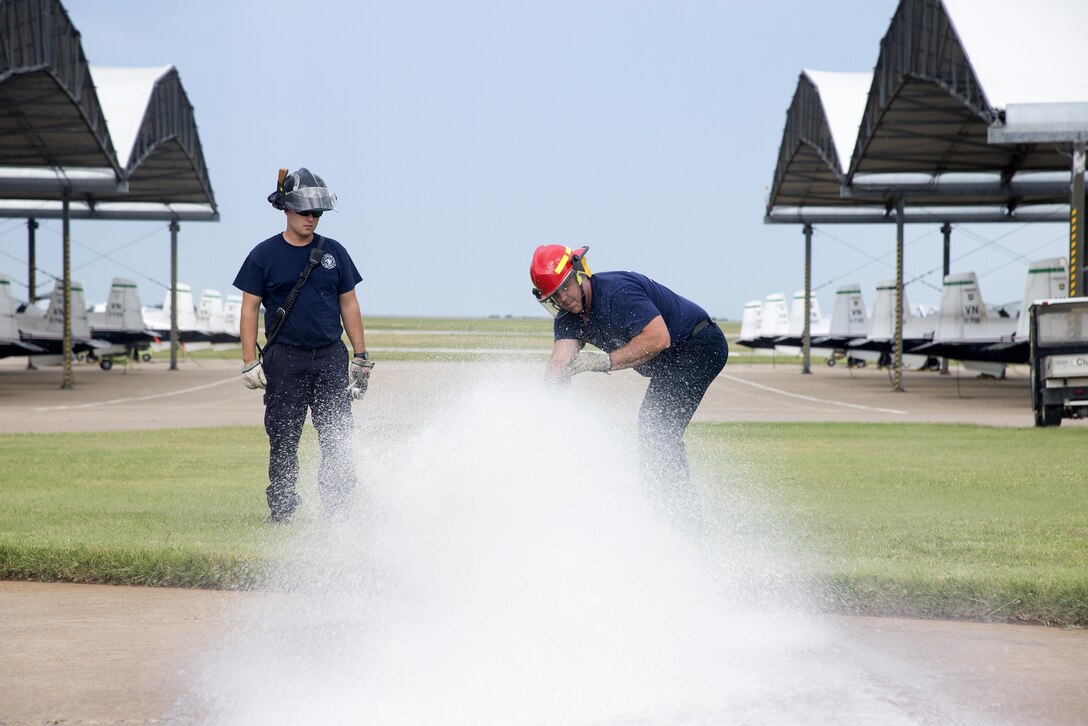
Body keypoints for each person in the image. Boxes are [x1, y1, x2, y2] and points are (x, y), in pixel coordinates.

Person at [530, 244, 728, 506]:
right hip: (672, 359)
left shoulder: (617, 292)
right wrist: (539, 416)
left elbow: (659, 338)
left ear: (579, 273)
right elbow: (559, 364)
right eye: (555, 296)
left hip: (698, 344)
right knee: (652, 432)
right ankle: (664, 503)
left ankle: (681, 517)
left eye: (566, 287)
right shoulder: (570, 316)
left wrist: (606, 361)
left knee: (656, 429)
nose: (564, 298)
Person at [233, 168, 371, 523]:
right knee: (283, 437)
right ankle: (281, 509)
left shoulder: (334, 253)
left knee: (337, 435)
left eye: (317, 213)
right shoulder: (263, 255)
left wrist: (360, 355)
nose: (312, 218)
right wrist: (250, 361)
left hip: (329, 356)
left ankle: (338, 508)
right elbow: (249, 308)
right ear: (286, 209)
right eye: (306, 211)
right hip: (285, 359)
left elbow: (349, 304)